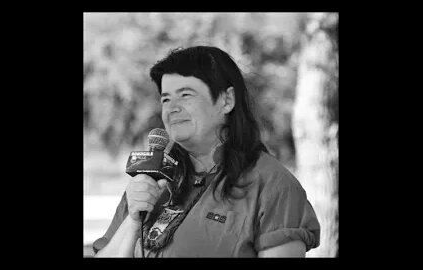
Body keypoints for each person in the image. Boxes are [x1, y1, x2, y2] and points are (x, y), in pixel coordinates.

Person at [92, 46, 320, 257]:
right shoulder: (151, 178)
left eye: (186, 95)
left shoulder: (273, 185)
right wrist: (132, 220)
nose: (172, 108)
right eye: (165, 99)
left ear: (227, 100)